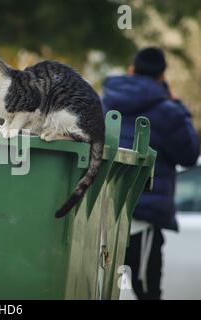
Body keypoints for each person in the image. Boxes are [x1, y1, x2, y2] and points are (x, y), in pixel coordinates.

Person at [102, 47, 200, 300]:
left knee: (96, 290)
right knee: (148, 292)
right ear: (162, 76)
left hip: (100, 214)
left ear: (131, 70)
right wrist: (177, 104)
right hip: (143, 217)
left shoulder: (104, 102)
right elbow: (189, 155)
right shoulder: (168, 111)